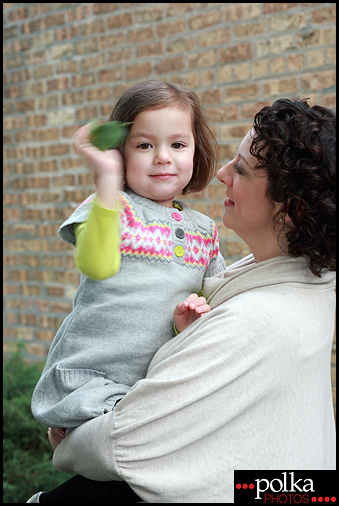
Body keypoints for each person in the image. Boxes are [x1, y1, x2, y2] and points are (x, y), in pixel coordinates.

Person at [28, 98, 335, 503]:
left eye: (240, 169)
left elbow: (117, 446)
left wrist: (70, 445)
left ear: (289, 209)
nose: (223, 173)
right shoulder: (309, 281)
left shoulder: (258, 319)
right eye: (143, 145)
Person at [30, 81, 226, 440]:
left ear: (196, 152)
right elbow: (97, 265)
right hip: (90, 381)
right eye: (144, 145)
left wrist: (191, 323)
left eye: (178, 144)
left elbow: (218, 305)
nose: (163, 156)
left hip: (152, 385)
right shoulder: (109, 206)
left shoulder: (205, 231)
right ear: (120, 151)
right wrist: (107, 180)